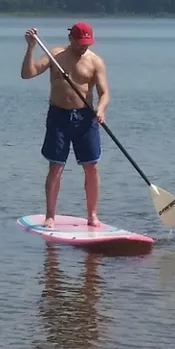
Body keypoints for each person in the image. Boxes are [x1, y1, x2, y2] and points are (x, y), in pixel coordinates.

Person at [21, 22, 110, 227]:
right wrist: (31, 47)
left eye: (87, 43)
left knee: (91, 167)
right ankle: (50, 215)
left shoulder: (95, 62)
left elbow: (104, 93)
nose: (84, 47)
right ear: (71, 39)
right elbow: (28, 73)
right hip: (59, 116)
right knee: (56, 167)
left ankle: (92, 215)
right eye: (80, 43)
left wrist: (101, 109)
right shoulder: (55, 56)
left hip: (86, 118)